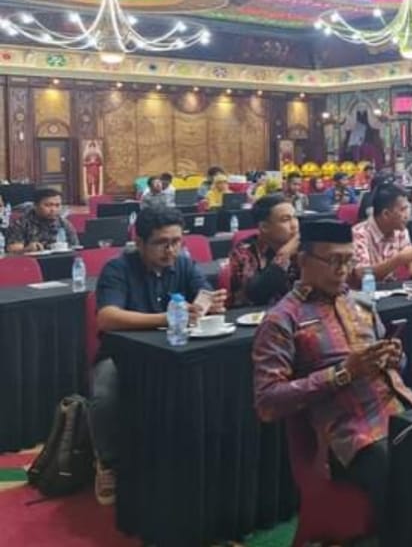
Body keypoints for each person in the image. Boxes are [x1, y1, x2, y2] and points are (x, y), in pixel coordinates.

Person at [253, 221, 412, 533]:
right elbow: (267, 403)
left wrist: (395, 358)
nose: (343, 270)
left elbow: (395, 369)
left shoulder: (360, 303)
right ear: (303, 261)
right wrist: (343, 373)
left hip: (403, 411)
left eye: (348, 260)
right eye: (334, 261)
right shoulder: (282, 319)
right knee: (407, 474)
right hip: (348, 437)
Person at [91, 206, 227, 505]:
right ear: (139, 243)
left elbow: (203, 293)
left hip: (172, 351)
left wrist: (206, 305)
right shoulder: (118, 269)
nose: (171, 250)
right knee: (105, 395)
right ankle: (107, 462)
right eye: (162, 243)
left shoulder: (184, 264)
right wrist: (167, 317)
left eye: (177, 241)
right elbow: (107, 317)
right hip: (121, 355)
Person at [351, 183, 412, 283]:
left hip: (388, 289)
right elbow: (361, 274)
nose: (407, 215)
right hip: (363, 291)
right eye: (403, 209)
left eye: (408, 208)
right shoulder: (359, 233)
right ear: (386, 214)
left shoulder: (400, 231)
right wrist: (398, 260)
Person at [228, 194, 301, 307]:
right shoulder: (243, 253)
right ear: (264, 227)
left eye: (295, 217)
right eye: (286, 220)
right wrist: (284, 255)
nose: (294, 225)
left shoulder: (304, 248)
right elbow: (253, 295)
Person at [5, 187, 79, 253]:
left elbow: (75, 247)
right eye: (48, 205)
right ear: (35, 206)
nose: (53, 209)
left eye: (57, 205)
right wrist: (27, 249)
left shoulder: (64, 223)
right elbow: (12, 249)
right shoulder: (21, 223)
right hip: (31, 260)